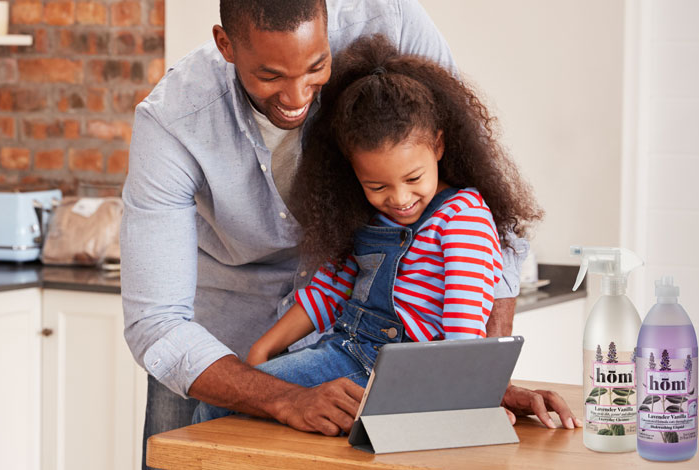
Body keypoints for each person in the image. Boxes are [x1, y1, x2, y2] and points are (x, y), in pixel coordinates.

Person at [120, 0, 576, 463]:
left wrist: (475, 383)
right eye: (270, 76)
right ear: (225, 44)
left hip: (382, 358)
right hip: (222, 333)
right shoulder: (172, 121)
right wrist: (280, 394)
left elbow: (487, 196)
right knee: (197, 447)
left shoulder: (392, 22)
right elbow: (156, 322)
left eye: (316, 68)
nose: (297, 96)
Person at [192, 33, 543, 423]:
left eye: (414, 178)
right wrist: (261, 351)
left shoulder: (462, 218)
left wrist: (466, 398)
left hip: (403, 374)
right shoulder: (368, 219)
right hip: (346, 353)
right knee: (228, 403)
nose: (399, 198)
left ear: (438, 147)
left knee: (218, 410)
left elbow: (463, 326)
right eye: (376, 186)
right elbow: (327, 291)